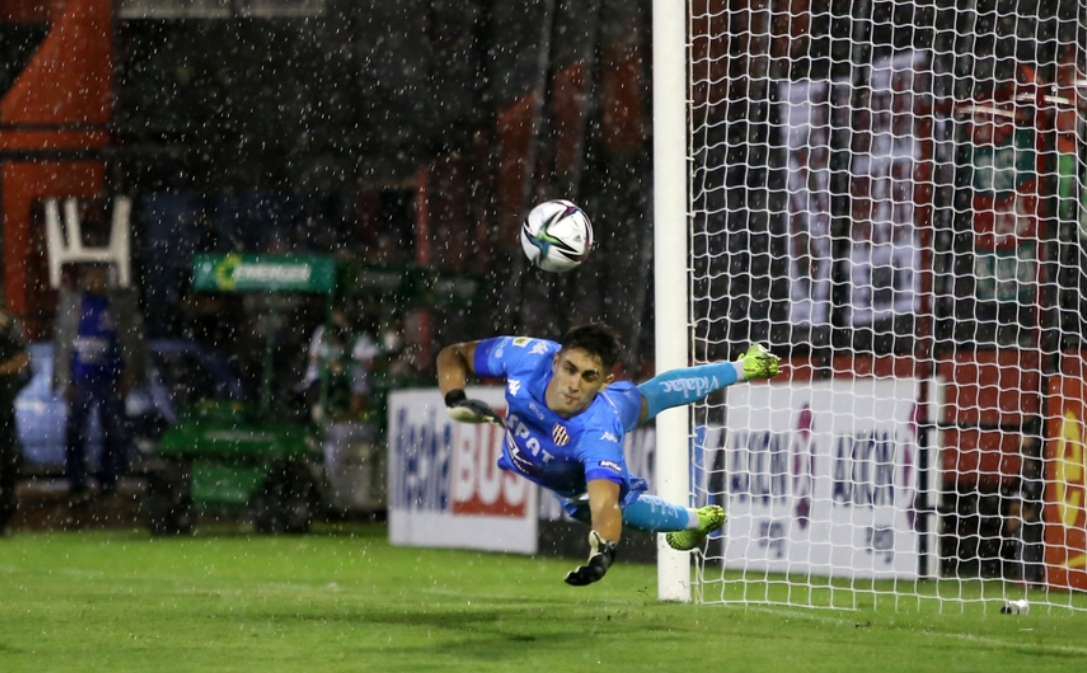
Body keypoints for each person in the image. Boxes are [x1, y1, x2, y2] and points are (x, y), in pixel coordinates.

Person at [436, 323, 780, 586]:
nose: (573, 384)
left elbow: (605, 506)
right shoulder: (526, 357)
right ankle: (740, 368)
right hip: (565, 447)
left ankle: (697, 519)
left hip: (584, 453)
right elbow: (453, 354)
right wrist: (455, 398)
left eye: (589, 377)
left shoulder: (598, 433)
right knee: (651, 396)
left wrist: (603, 552)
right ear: (556, 361)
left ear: (604, 382)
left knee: (615, 503)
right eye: (569, 369)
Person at [54, 263, 146, 500]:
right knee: (76, 433)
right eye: (90, 277)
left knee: (114, 432)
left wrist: (129, 372)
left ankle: (107, 481)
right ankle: (77, 483)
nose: (94, 282)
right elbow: (62, 342)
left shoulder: (117, 305)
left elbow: (132, 338)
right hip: (81, 378)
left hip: (110, 378)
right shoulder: (74, 305)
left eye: (99, 277)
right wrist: (65, 381)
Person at [0, 308, 30, 534]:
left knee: (5, 465)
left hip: (1, 408)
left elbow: (22, 359)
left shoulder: (6, 325)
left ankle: (3, 519)